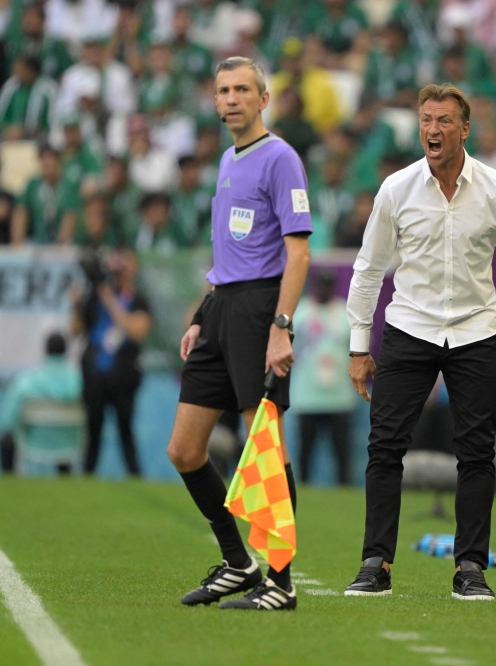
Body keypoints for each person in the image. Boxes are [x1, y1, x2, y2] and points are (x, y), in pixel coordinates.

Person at [344, 84, 496, 600]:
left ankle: (470, 568)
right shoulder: (396, 188)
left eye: (443, 121)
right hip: (409, 328)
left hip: (476, 332)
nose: (432, 130)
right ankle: (375, 564)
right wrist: (359, 345)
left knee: (477, 455)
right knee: (384, 448)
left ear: (465, 129)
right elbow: (368, 269)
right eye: (426, 120)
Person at [165, 56, 312, 612]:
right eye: (223, 90)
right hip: (222, 309)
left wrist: (280, 326)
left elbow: (298, 252)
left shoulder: (280, 158)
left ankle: (280, 581)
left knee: (264, 448)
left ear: (263, 98)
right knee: (184, 449)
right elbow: (232, 250)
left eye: (242, 89)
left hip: (258, 312)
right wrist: (204, 312)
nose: (230, 99)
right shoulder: (228, 158)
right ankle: (238, 562)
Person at [73, 250, 152, 477]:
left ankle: (135, 475)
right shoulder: (95, 296)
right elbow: (76, 330)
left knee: (125, 430)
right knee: (93, 429)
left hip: (124, 374)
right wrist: (77, 304)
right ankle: (87, 476)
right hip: (95, 372)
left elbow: (137, 332)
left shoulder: (138, 300)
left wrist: (109, 299)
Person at [292, 270, 357, 485]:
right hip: (307, 394)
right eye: (321, 284)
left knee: (342, 449)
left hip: (339, 395)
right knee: (305, 449)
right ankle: (302, 486)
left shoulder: (344, 312)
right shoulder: (300, 312)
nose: (324, 289)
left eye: (328, 284)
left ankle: (344, 488)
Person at [0, 333, 82, 475]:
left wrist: (8, 428)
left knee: (7, 438)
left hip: (33, 441)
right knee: (62, 441)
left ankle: (10, 481)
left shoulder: (30, 380)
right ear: (66, 351)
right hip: (68, 443)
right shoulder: (77, 379)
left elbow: (9, 415)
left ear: (45, 350)